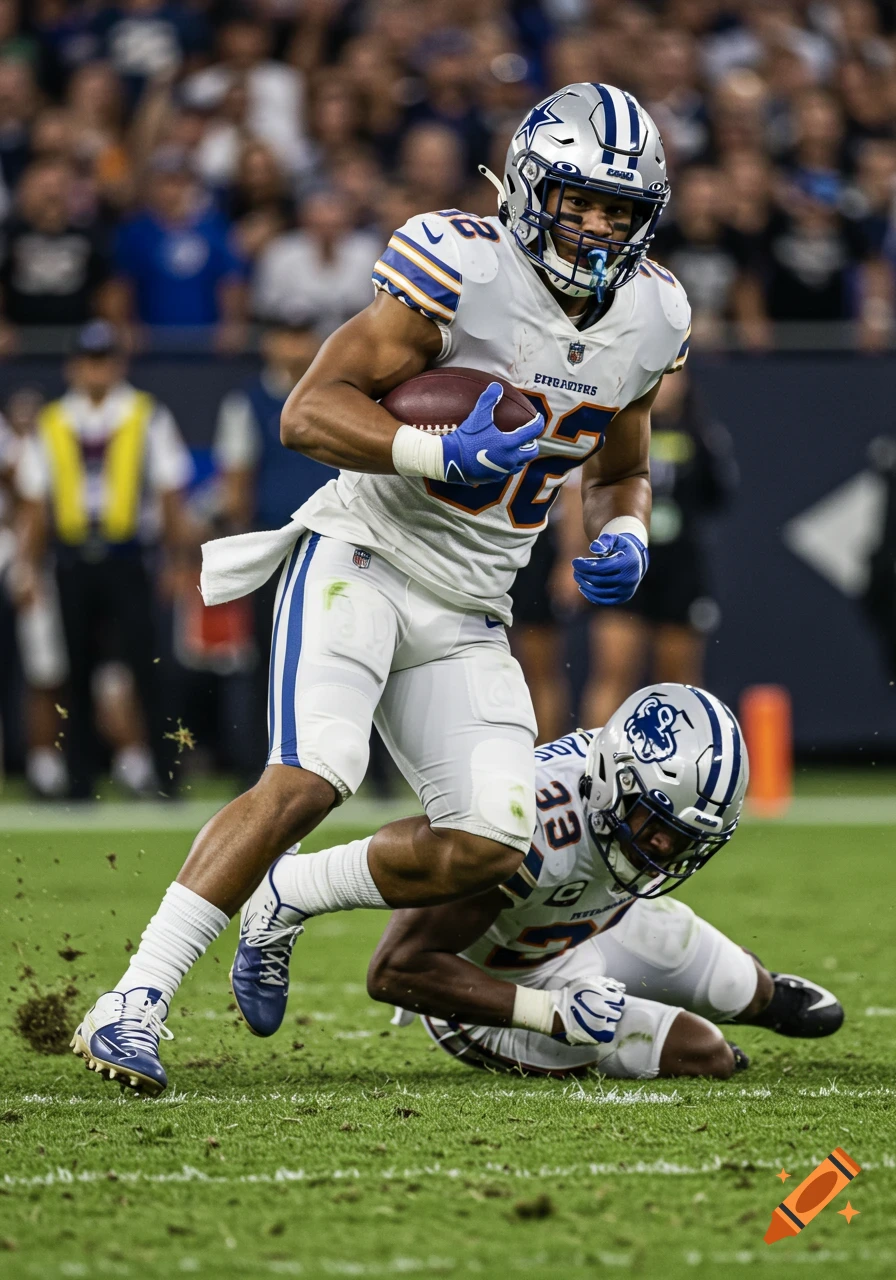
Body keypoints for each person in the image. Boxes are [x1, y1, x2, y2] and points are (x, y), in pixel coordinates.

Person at [72, 83, 691, 1095]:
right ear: (529, 190)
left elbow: (618, 464)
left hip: (472, 605)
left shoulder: (653, 313)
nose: (592, 225)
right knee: (312, 770)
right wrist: (431, 452)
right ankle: (132, 1000)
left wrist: (622, 528)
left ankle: (285, 898)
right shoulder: (460, 267)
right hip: (363, 551)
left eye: (615, 210)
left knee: (492, 843)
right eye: (575, 200)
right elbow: (307, 413)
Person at [360, 683, 840, 1079]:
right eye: (656, 825)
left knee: (741, 988)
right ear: (614, 783)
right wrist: (549, 1012)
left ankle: (757, 990)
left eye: (686, 840)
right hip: (492, 984)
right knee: (705, 1054)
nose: (665, 850)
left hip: (587, 928)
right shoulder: (528, 827)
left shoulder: (628, 782)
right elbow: (397, 970)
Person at [15, 320, 193, 800]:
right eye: (89, 360)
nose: (96, 370)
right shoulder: (52, 422)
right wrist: (27, 568)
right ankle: (79, 780)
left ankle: (164, 775)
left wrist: (178, 560)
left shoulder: (144, 414)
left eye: (105, 360)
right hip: (71, 560)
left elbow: (170, 492)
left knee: (146, 666)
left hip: (128, 556)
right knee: (75, 670)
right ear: (74, 366)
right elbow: (35, 503)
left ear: (118, 364)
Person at [579, 369, 737, 729]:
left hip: (679, 566)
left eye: (675, 377)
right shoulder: (618, 429)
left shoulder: (701, 433)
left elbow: (719, 496)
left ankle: (685, 769)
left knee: (680, 684)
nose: (668, 387)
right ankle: (587, 767)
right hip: (625, 562)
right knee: (613, 673)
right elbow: (589, 492)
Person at [213, 321, 335, 773]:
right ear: (270, 343)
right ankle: (257, 766)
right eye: (288, 334)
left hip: (335, 539)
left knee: (343, 649)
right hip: (276, 542)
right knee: (266, 655)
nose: (295, 344)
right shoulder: (248, 400)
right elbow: (237, 483)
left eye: (303, 334)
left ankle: (363, 767)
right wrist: (245, 550)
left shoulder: (337, 391)